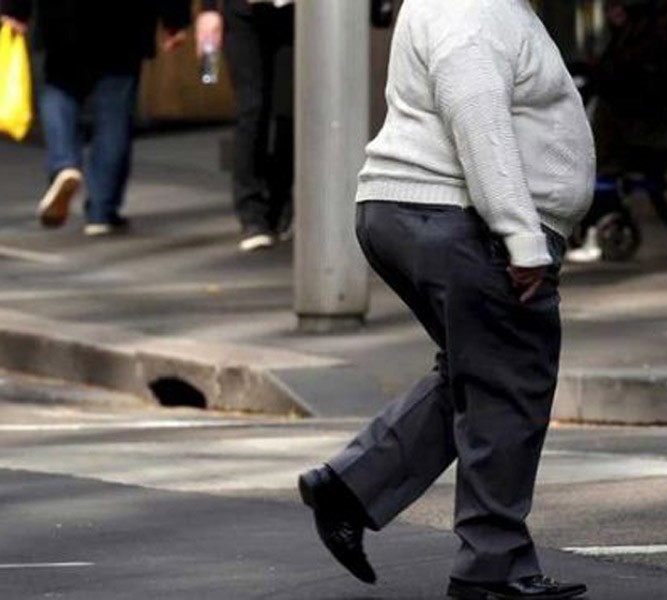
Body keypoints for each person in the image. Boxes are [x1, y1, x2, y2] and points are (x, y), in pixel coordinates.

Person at [297, 1, 595, 598]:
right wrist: (521, 235)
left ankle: (352, 486)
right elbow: (477, 118)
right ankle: (492, 567)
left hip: (431, 214)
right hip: (457, 217)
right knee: (510, 385)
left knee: (479, 373)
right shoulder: (473, 8)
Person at [0, 0, 190, 235]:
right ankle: (102, 210)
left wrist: (14, 9)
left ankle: (63, 163)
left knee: (58, 90)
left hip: (62, 17)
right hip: (126, 21)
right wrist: (175, 18)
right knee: (115, 111)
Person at [195, 0, 294, 252]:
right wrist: (208, 10)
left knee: (289, 111)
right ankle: (252, 214)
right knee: (251, 108)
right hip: (242, 14)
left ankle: (279, 203)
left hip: (294, 15)